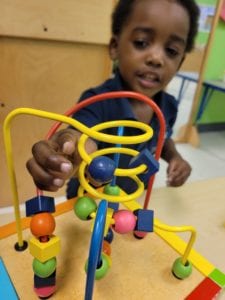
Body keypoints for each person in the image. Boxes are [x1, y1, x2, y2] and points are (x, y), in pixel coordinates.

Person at [26, 0, 199, 199]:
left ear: (180, 63)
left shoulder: (169, 106)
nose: (156, 58)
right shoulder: (97, 102)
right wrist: (69, 150)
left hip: (131, 200)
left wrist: (175, 157)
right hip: (87, 203)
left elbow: (163, 136)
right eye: (142, 42)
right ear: (115, 47)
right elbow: (80, 135)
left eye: (171, 51)